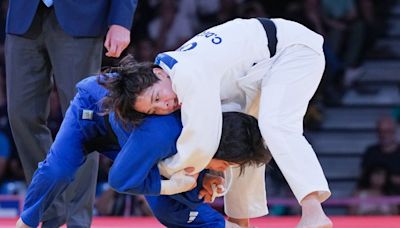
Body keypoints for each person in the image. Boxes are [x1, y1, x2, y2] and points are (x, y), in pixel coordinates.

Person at [101, 17, 332, 227]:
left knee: (275, 124)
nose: (165, 106)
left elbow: (200, 142)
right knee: (237, 136)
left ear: (159, 74)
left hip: (292, 51)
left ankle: (313, 211)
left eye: (158, 97)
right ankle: (239, 221)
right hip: (255, 72)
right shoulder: (178, 72)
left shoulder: (187, 75)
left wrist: (166, 171)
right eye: (155, 108)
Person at [16, 73, 271, 227]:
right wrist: (177, 185)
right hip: (91, 114)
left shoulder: (203, 115)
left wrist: (204, 177)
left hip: (131, 135)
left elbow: (183, 176)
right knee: (57, 170)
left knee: (166, 206)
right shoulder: (162, 133)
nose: (166, 104)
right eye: (224, 166)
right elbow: (120, 180)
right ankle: (25, 223)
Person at [5, 0, 137, 227]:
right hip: (25, 15)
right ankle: (50, 211)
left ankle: (78, 221)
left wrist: (120, 20)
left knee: (84, 122)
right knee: (21, 116)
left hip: (83, 16)